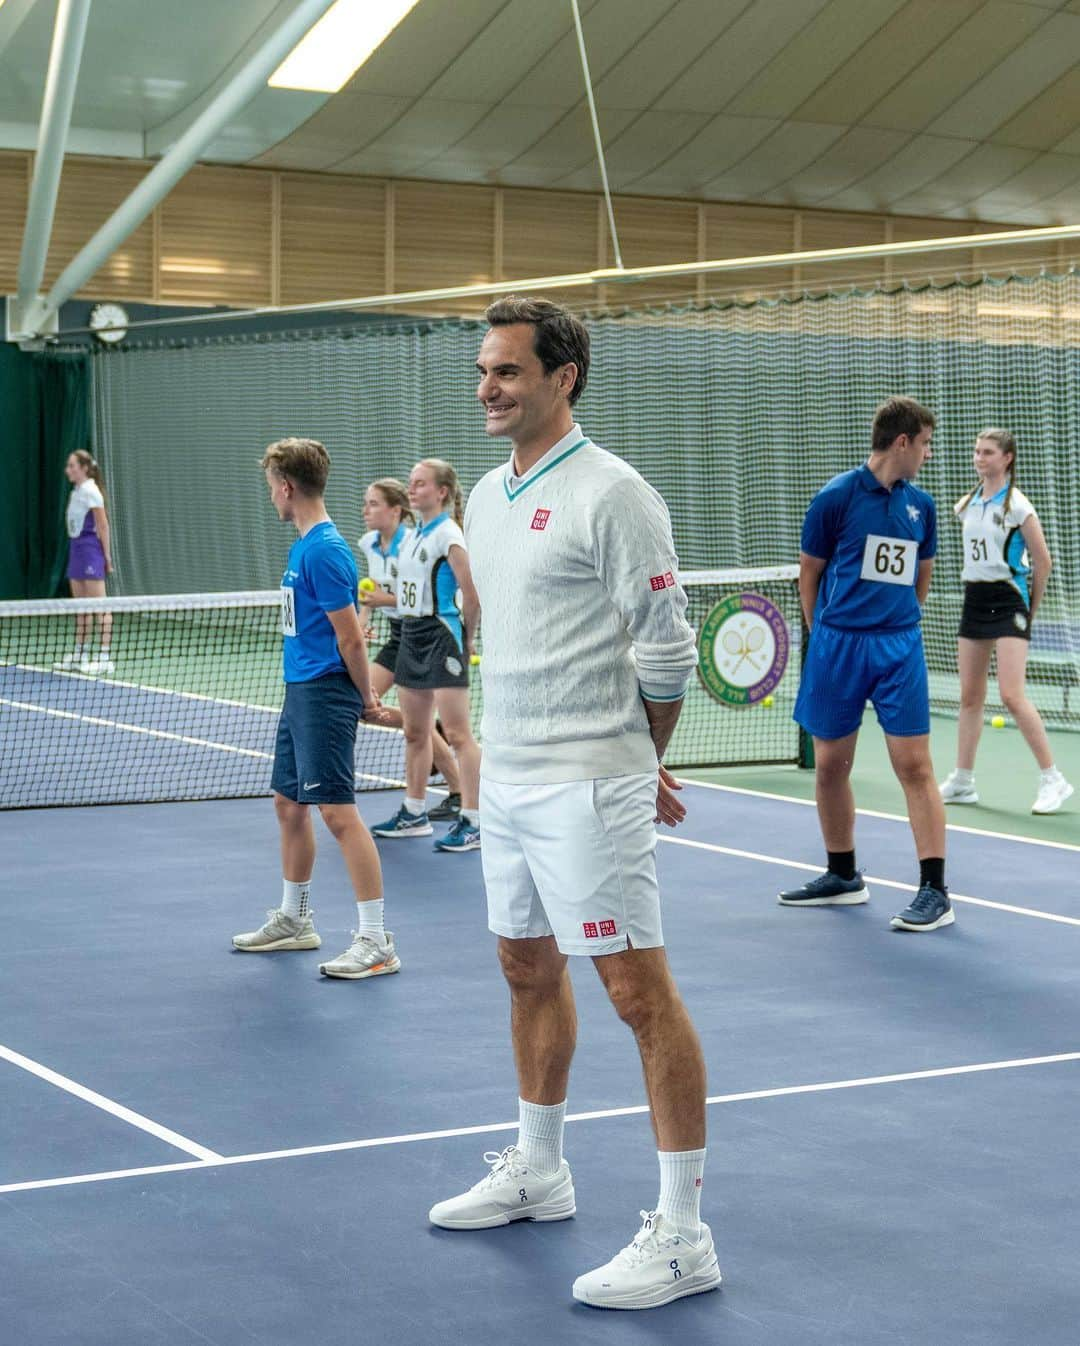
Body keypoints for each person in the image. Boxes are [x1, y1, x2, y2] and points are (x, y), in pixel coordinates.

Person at [428, 297, 719, 1312]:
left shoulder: (615, 492)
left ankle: (684, 1233)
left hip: (589, 780)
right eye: (483, 370)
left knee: (639, 995)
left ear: (565, 377)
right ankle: (540, 1170)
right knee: (524, 965)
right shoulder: (488, 500)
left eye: (507, 370)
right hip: (506, 773)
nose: (488, 388)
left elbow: (669, 649)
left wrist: (637, 758)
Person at [780, 396, 952, 933]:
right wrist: (825, 634)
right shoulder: (834, 498)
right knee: (831, 765)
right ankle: (843, 875)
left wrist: (892, 624)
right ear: (902, 442)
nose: (927, 454)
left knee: (914, 767)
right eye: (924, 444)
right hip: (838, 647)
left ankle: (934, 890)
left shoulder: (920, 506)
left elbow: (920, 578)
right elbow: (810, 574)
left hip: (898, 647)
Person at [232, 438, 400, 981]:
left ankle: (376, 940)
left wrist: (366, 697)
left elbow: (351, 641)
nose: (271, 499)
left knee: (338, 813)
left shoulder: (324, 549)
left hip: (325, 691)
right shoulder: (305, 546)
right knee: (288, 803)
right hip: (299, 688)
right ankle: (296, 919)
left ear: (286, 487)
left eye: (270, 489)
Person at [938, 430, 1072, 815]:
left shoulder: (1018, 506)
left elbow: (1042, 561)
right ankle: (963, 780)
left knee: (1012, 695)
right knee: (970, 696)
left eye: (988, 452)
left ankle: (1053, 779)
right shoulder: (966, 504)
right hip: (975, 598)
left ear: (1007, 458)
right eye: (977, 450)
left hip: (1009, 598)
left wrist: (1031, 606)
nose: (979, 457)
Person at [369, 459, 482, 853]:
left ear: (442, 492)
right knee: (415, 732)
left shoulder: (448, 534)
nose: (412, 489)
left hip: (441, 636)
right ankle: (414, 813)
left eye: (420, 484)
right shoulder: (414, 536)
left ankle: (473, 819)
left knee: (457, 735)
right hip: (411, 637)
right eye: (411, 484)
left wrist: (467, 639)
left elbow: (471, 591)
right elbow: (403, 592)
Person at [357, 478, 463, 822]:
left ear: (395, 510)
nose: (366, 510)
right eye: (366, 502)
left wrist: (382, 599)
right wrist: (362, 620)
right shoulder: (370, 544)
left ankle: (459, 791)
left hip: (420, 633)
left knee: (418, 733)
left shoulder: (412, 544)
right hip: (394, 635)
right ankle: (427, 724)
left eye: (374, 503)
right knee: (359, 701)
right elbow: (370, 591)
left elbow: (418, 599)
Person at [55, 450, 114, 674]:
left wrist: (106, 557)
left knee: (100, 607)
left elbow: (103, 525)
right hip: (76, 549)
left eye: (72, 466)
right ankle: (81, 653)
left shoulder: (91, 491)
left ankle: (104, 658)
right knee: (81, 608)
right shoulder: (77, 491)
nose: (67, 470)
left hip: (91, 551)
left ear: (85, 468)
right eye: (68, 466)